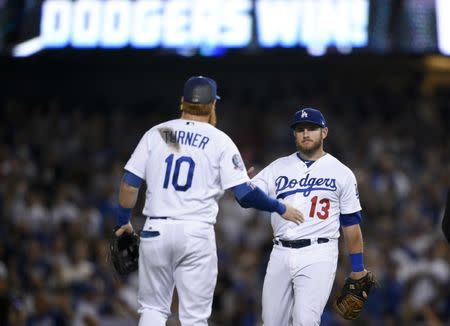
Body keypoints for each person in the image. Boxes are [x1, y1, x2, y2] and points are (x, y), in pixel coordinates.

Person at [113, 76, 303, 326]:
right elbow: (244, 196)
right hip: (196, 233)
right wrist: (279, 207)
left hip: (155, 230)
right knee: (194, 317)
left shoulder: (159, 133)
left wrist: (122, 223)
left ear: (183, 103)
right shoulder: (219, 140)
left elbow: (129, 184)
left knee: (153, 309)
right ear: (213, 104)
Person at [250, 108, 369, 325]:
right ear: (294, 135)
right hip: (280, 251)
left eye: (312, 129)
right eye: (300, 129)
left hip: (319, 252)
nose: (306, 134)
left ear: (324, 132)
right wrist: (244, 184)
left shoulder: (341, 172)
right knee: (271, 321)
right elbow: (247, 197)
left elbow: (351, 224)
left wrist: (358, 268)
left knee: (305, 321)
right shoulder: (277, 167)